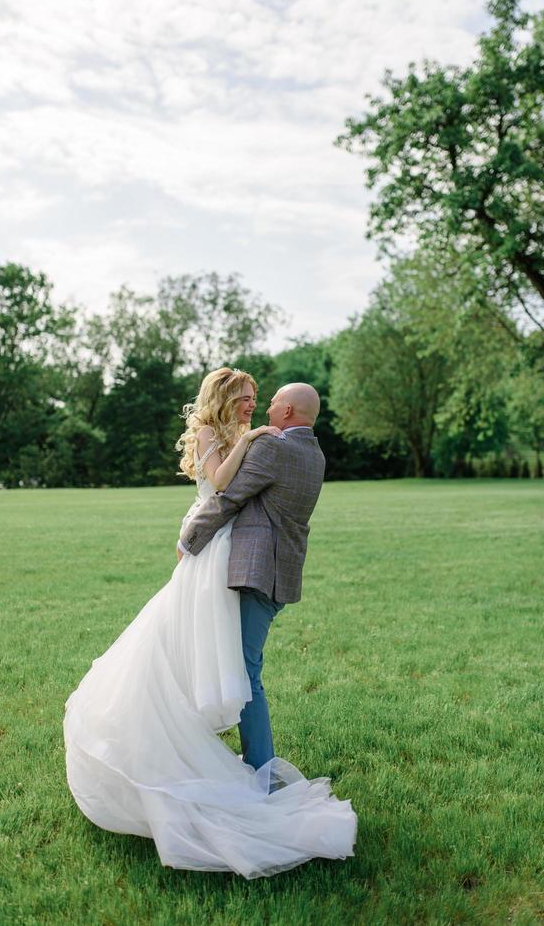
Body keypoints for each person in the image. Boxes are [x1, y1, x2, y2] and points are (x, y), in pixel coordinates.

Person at [63, 367, 357, 879]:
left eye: (261, 402)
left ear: (286, 412)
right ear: (223, 399)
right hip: (259, 570)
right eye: (246, 398)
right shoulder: (310, 451)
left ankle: (244, 770)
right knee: (209, 658)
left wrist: (187, 540)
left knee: (234, 669)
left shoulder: (268, 445)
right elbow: (221, 486)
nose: (256, 407)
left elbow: (223, 497)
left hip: (235, 565)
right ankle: (212, 755)